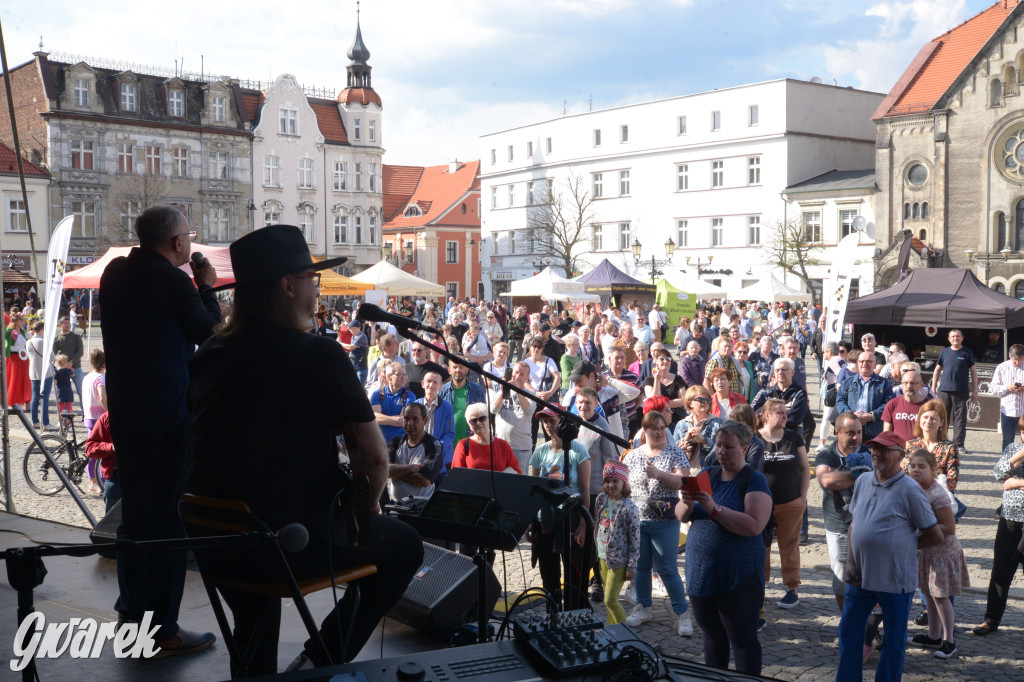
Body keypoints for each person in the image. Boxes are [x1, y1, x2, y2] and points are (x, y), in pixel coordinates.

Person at [184, 224, 421, 674]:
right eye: (312, 281)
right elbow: (373, 458)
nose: (318, 291)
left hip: (213, 537)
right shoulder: (318, 355)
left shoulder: (210, 351)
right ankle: (319, 663)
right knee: (405, 548)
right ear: (287, 286)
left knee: (255, 605)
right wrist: (366, 506)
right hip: (287, 542)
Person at [101, 205, 221, 656]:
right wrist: (204, 287)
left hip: (128, 414)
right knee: (169, 521)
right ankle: (163, 629)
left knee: (135, 515)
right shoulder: (172, 280)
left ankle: (132, 614)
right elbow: (210, 335)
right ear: (177, 244)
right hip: (166, 417)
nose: (190, 243)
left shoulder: (114, 273)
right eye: (188, 236)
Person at [836, 431, 943, 682]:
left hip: (894, 579)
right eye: (874, 448)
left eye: (884, 449)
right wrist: (850, 562)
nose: (876, 453)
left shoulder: (910, 490)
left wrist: (904, 547)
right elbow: (854, 523)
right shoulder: (862, 481)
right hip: (860, 575)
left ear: (900, 455)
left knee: (893, 640)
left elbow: (935, 535)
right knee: (848, 632)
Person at [676, 420, 773, 675]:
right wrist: (686, 502)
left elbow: (754, 525)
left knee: (742, 640)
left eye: (728, 447)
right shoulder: (708, 474)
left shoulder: (754, 480)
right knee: (712, 637)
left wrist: (714, 509)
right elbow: (682, 516)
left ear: (744, 448)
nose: (721, 451)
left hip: (738, 575)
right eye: (718, 445)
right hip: (702, 572)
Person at [623, 411, 693, 637]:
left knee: (667, 568)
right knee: (642, 567)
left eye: (662, 428)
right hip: (637, 519)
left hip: (664, 520)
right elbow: (624, 487)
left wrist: (659, 474)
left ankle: (682, 613)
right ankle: (644, 607)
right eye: (654, 428)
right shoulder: (632, 456)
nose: (659, 432)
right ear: (645, 431)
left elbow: (683, 481)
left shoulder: (675, 453)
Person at [905, 448, 968, 659]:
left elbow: (949, 527)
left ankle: (949, 640)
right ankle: (933, 635)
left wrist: (924, 527)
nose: (915, 470)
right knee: (929, 595)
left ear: (932, 470)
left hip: (942, 553)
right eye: (913, 466)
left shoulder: (938, 493)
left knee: (941, 597)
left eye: (921, 467)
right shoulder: (915, 488)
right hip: (927, 551)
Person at [528, 407, 591, 609]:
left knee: (574, 574)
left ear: (562, 422)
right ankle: (552, 614)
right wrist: (529, 521)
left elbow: (585, 489)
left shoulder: (577, 451)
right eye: (544, 421)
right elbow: (533, 488)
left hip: (571, 521)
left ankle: (575, 613)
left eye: (552, 420)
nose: (548, 425)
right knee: (549, 575)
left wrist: (583, 525)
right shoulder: (540, 452)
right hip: (545, 522)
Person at [814, 413, 870, 611]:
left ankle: (869, 625)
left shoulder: (869, 451)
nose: (855, 438)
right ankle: (847, 620)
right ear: (837, 432)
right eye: (849, 433)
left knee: (868, 577)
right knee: (841, 578)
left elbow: (881, 477)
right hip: (838, 525)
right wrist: (863, 473)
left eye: (858, 432)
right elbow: (827, 481)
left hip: (868, 525)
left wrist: (842, 476)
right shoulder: (826, 455)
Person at [973, 415, 1024, 637]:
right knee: (1001, 569)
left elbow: (1009, 482)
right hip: (1010, 516)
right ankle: (991, 619)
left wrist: (1017, 482)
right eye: (1023, 431)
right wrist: (1018, 457)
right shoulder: (1014, 448)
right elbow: (998, 474)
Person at [757, 398, 808, 610]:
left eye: (785, 412)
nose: (785, 416)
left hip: (790, 501)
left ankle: (792, 588)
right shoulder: (755, 439)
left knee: (789, 544)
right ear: (767, 415)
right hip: (761, 504)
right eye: (780, 412)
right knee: (761, 545)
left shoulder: (794, 437)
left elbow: (805, 468)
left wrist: (803, 498)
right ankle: (760, 583)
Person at [594, 461, 640, 624]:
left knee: (610, 600)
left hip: (619, 560)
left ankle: (625, 632)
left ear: (624, 482)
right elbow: (597, 523)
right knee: (608, 596)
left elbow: (635, 539)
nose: (611, 485)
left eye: (615, 481)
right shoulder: (601, 499)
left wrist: (632, 565)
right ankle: (613, 631)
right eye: (607, 481)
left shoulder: (629, 507)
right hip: (602, 555)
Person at [930, 329, 978, 452]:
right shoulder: (944, 352)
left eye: (957, 336)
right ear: (949, 339)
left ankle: (959, 445)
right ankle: (941, 442)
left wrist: (975, 390)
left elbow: (973, 371)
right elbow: (937, 370)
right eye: (953, 336)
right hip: (944, 390)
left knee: (960, 419)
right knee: (941, 418)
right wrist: (933, 387)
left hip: (961, 391)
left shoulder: (967, 352)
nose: (955, 338)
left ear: (962, 338)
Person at [386, 402, 445, 501]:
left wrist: (396, 470)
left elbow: (425, 481)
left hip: (421, 508)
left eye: (415, 419)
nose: (410, 423)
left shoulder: (434, 445)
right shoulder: (395, 442)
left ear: (425, 420)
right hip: (395, 507)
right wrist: (411, 467)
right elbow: (384, 470)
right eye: (407, 419)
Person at [902, 400, 960, 494]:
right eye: (925, 417)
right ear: (919, 419)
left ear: (941, 422)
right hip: (912, 494)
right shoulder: (909, 445)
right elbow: (903, 474)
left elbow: (952, 480)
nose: (928, 421)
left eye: (933, 418)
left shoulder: (949, 447)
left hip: (940, 496)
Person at [490, 361, 536, 473]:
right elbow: (493, 410)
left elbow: (529, 411)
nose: (517, 377)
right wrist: (502, 391)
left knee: (521, 479)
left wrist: (518, 391)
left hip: (521, 447)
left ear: (527, 378)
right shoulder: (500, 392)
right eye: (516, 373)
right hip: (501, 445)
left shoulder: (531, 394)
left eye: (522, 374)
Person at [835, 351, 892, 441]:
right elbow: (840, 400)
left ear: (875, 364)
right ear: (858, 363)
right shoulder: (848, 382)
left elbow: (889, 404)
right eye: (862, 361)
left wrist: (873, 415)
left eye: (869, 361)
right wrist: (850, 415)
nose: (864, 364)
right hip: (850, 428)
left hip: (873, 431)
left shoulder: (884, 383)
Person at [451, 402, 520, 472]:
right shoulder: (463, 445)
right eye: (473, 421)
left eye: (482, 418)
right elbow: (456, 475)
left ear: (489, 419)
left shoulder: (503, 445)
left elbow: (516, 472)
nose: (478, 423)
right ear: (469, 425)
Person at [439, 356, 486, 450]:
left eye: (461, 367)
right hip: (448, 445)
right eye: (455, 367)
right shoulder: (442, 391)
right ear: (449, 370)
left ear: (467, 369)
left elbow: (484, 417)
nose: (458, 370)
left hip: (472, 442)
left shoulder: (477, 390)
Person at [988, 343, 1024, 453]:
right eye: (1015, 360)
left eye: (1021, 360)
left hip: (1023, 411)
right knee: (1008, 441)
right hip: (1007, 410)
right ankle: (1006, 466)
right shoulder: (1002, 367)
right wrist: (1007, 387)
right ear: (1010, 356)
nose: (1018, 363)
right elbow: (993, 388)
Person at [417, 371, 455, 473]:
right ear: (423, 384)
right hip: (417, 457)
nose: (431, 385)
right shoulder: (415, 406)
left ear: (440, 387)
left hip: (441, 460)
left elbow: (450, 434)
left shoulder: (447, 408)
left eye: (435, 382)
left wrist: (436, 447)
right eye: (428, 381)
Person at [674, 385, 722, 467]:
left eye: (708, 400)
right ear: (690, 403)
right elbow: (673, 451)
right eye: (701, 400)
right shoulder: (681, 424)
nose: (705, 403)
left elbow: (721, 452)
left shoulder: (718, 424)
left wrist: (703, 440)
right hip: (686, 471)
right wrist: (686, 439)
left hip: (709, 472)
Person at [81, 348, 108, 494]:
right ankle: (94, 481)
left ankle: (95, 479)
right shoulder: (100, 378)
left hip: (88, 415)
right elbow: (102, 397)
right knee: (95, 450)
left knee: (92, 447)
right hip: (98, 417)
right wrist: (109, 411)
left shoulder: (87, 376)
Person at [86, 410, 120, 513]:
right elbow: (90, 448)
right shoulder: (107, 417)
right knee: (112, 523)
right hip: (116, 477)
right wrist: (111, 447)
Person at [371, 361, 414, 442]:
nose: (403, 378)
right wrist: (396, 420)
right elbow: (374, 418)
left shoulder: (409, 395)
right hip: (380, 442)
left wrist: (383, 418)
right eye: (399, 375)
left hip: (400, 443)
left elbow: (403, 421)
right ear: (389, 377)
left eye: (405, 375)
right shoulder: (377, 394)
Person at [881, 368, 928, 442]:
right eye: (905, 383)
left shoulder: (929, 405)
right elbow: (886, 434)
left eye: (912, 383)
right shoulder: (892, 404)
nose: (909, 386)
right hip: (897, 450)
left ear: (921, 385)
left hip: (920, 451)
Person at [644, 349, 688, 428]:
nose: (665, 361)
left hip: (676, 418)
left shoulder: (678, 379)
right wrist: (657, 380)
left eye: (668, 359)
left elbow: (682, 400)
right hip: (657, 419)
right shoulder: (650, 380)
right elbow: (653, 401)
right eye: (662, 359)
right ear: (656, 361)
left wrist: (662, 405)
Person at [26, 320, 53, 431]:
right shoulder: (43, 341)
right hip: (45, 373)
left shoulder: (29, 342)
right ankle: (46, 423)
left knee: (35, 397)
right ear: (41, 330)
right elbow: (53, 357)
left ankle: (35, 421)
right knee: (44, 399)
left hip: (33, 372)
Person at [52, 315, 84, 412]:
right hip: (62, 370)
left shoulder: (76, 337)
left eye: (69, 323)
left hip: (76, 368)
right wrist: (64, 366)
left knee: (82, 392)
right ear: (60, 325)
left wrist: (71, 363)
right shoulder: (57, 338)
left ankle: (85, 413)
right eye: (65, 323)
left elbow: (80, 352)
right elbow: (53, 355)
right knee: (62, 393)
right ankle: (64, 414)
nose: (68, 325)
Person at [6, 312, 30, 409]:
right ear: (15, 321)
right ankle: (13, 401)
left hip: (24, 357)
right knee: (14, 378)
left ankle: (27, 400)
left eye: (23, 320)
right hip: (14, 357)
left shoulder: (23, 332)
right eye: (21, 320)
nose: (23, 322)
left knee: (25, 379)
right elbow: (7, 343)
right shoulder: (9, 331)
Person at [340, 319, 369, 385]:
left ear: (355, 328)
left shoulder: (362, 336)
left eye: (350, 328)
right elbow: (351, 351)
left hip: (361, 368)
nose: (349, 330)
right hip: (354, 366)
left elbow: (351, 347)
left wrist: (340, 343)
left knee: (360, 388)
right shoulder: (353, 337)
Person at [53, 354, 75, 420]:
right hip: (68, 390)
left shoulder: (56, 372)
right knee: (69, 406)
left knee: (60, 407)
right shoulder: (68, 371)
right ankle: (70, 420)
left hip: (60, 391)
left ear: (56, 363)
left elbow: (55, 382)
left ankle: (60, 420)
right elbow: (73, 374)